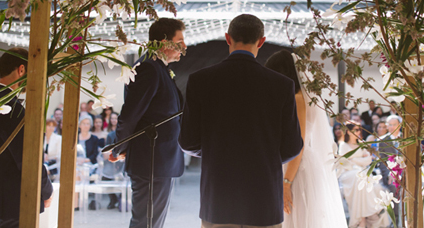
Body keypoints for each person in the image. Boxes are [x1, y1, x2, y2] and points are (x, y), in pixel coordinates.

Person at [179, 14, 303, 228]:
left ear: (228, 38)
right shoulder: (282, 85)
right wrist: (265, 157)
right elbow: (292, 146)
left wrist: (214, 151)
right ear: (261, 42)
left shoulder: (200, 80)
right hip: (263, 198)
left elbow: (188, 141)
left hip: (218, 196)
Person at [109, 18, 187, 228]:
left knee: (153, 223)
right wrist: (119, 148)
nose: (184, 47)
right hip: (152, 160)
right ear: (163, 42)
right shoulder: (148, 69)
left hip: (161, 161)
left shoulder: (160, 69)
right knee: (146, 222)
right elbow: (130, 115)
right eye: (180, 41)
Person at [264, 50, 347, 228]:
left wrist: (286, 182)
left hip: (297, 167)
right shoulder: (293, 98)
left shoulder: (299, 99)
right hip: (289, 164)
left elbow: (298, 144)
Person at [0, 48, 53, 228]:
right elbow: (28, 157)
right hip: (14, 197)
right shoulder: (9, 108)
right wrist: (46, 190)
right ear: (21, 70)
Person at [336, 123, 385, 228]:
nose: (358, 132)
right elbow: (345, 162)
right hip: (347, 174)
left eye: (359, 130)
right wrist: (359, 159)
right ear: (348, 131)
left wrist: (353, 159)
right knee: (359, 178)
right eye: (356, 130)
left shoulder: (361, 144)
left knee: (371, 185)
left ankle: (361, 220)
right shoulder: (343, 145)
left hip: (361, 173)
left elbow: (368, 160)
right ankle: (374, 210)